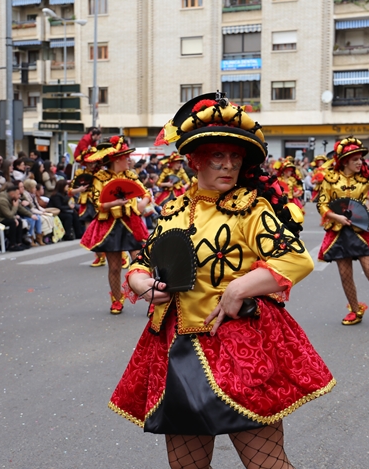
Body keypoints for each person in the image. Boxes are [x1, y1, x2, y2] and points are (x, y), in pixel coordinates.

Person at [113, 93, 334, 468]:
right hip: (176, 351)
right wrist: (140, 284)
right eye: (218, 156)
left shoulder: (251, 208)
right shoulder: (174, 210)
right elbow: (142, 261)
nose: (228, 165)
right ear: (195, 160)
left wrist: (239, 288)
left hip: (238, 347)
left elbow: (296, 259)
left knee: (266, 464)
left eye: (235, 157)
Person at [316, 138, 369, 333]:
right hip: (338, 230)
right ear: (344, 161)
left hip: (361, 230)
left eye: (361, 159)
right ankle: (355, 309)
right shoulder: (330, 179)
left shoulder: (365, 179)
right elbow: (321, 204)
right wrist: (336, 217)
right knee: (345, 275)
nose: (360, 162)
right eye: (355, 159)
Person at [80, 136, 150, 314]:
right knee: (115, 267)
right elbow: (98, 203)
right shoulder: (100, 178)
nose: (129, 160)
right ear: (117, 159)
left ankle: (153, 299)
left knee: (141, 261)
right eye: (126, 157)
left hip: (131, 223)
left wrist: (142, 204)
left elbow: (145, 193)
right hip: (111, 225)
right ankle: (117, 299)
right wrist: (115, 203)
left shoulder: (131, 175)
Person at [0, 183, 33, 252]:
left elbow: (19, 209)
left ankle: (19, 243)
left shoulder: (11, 199)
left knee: (19, 221)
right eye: (18, 194)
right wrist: (14, 208)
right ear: (12, 194)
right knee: (12, 222)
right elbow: (9, 215)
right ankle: (12, 245)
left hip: (3, 218)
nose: (19, 196)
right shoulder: (2, 200)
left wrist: (30, 215)